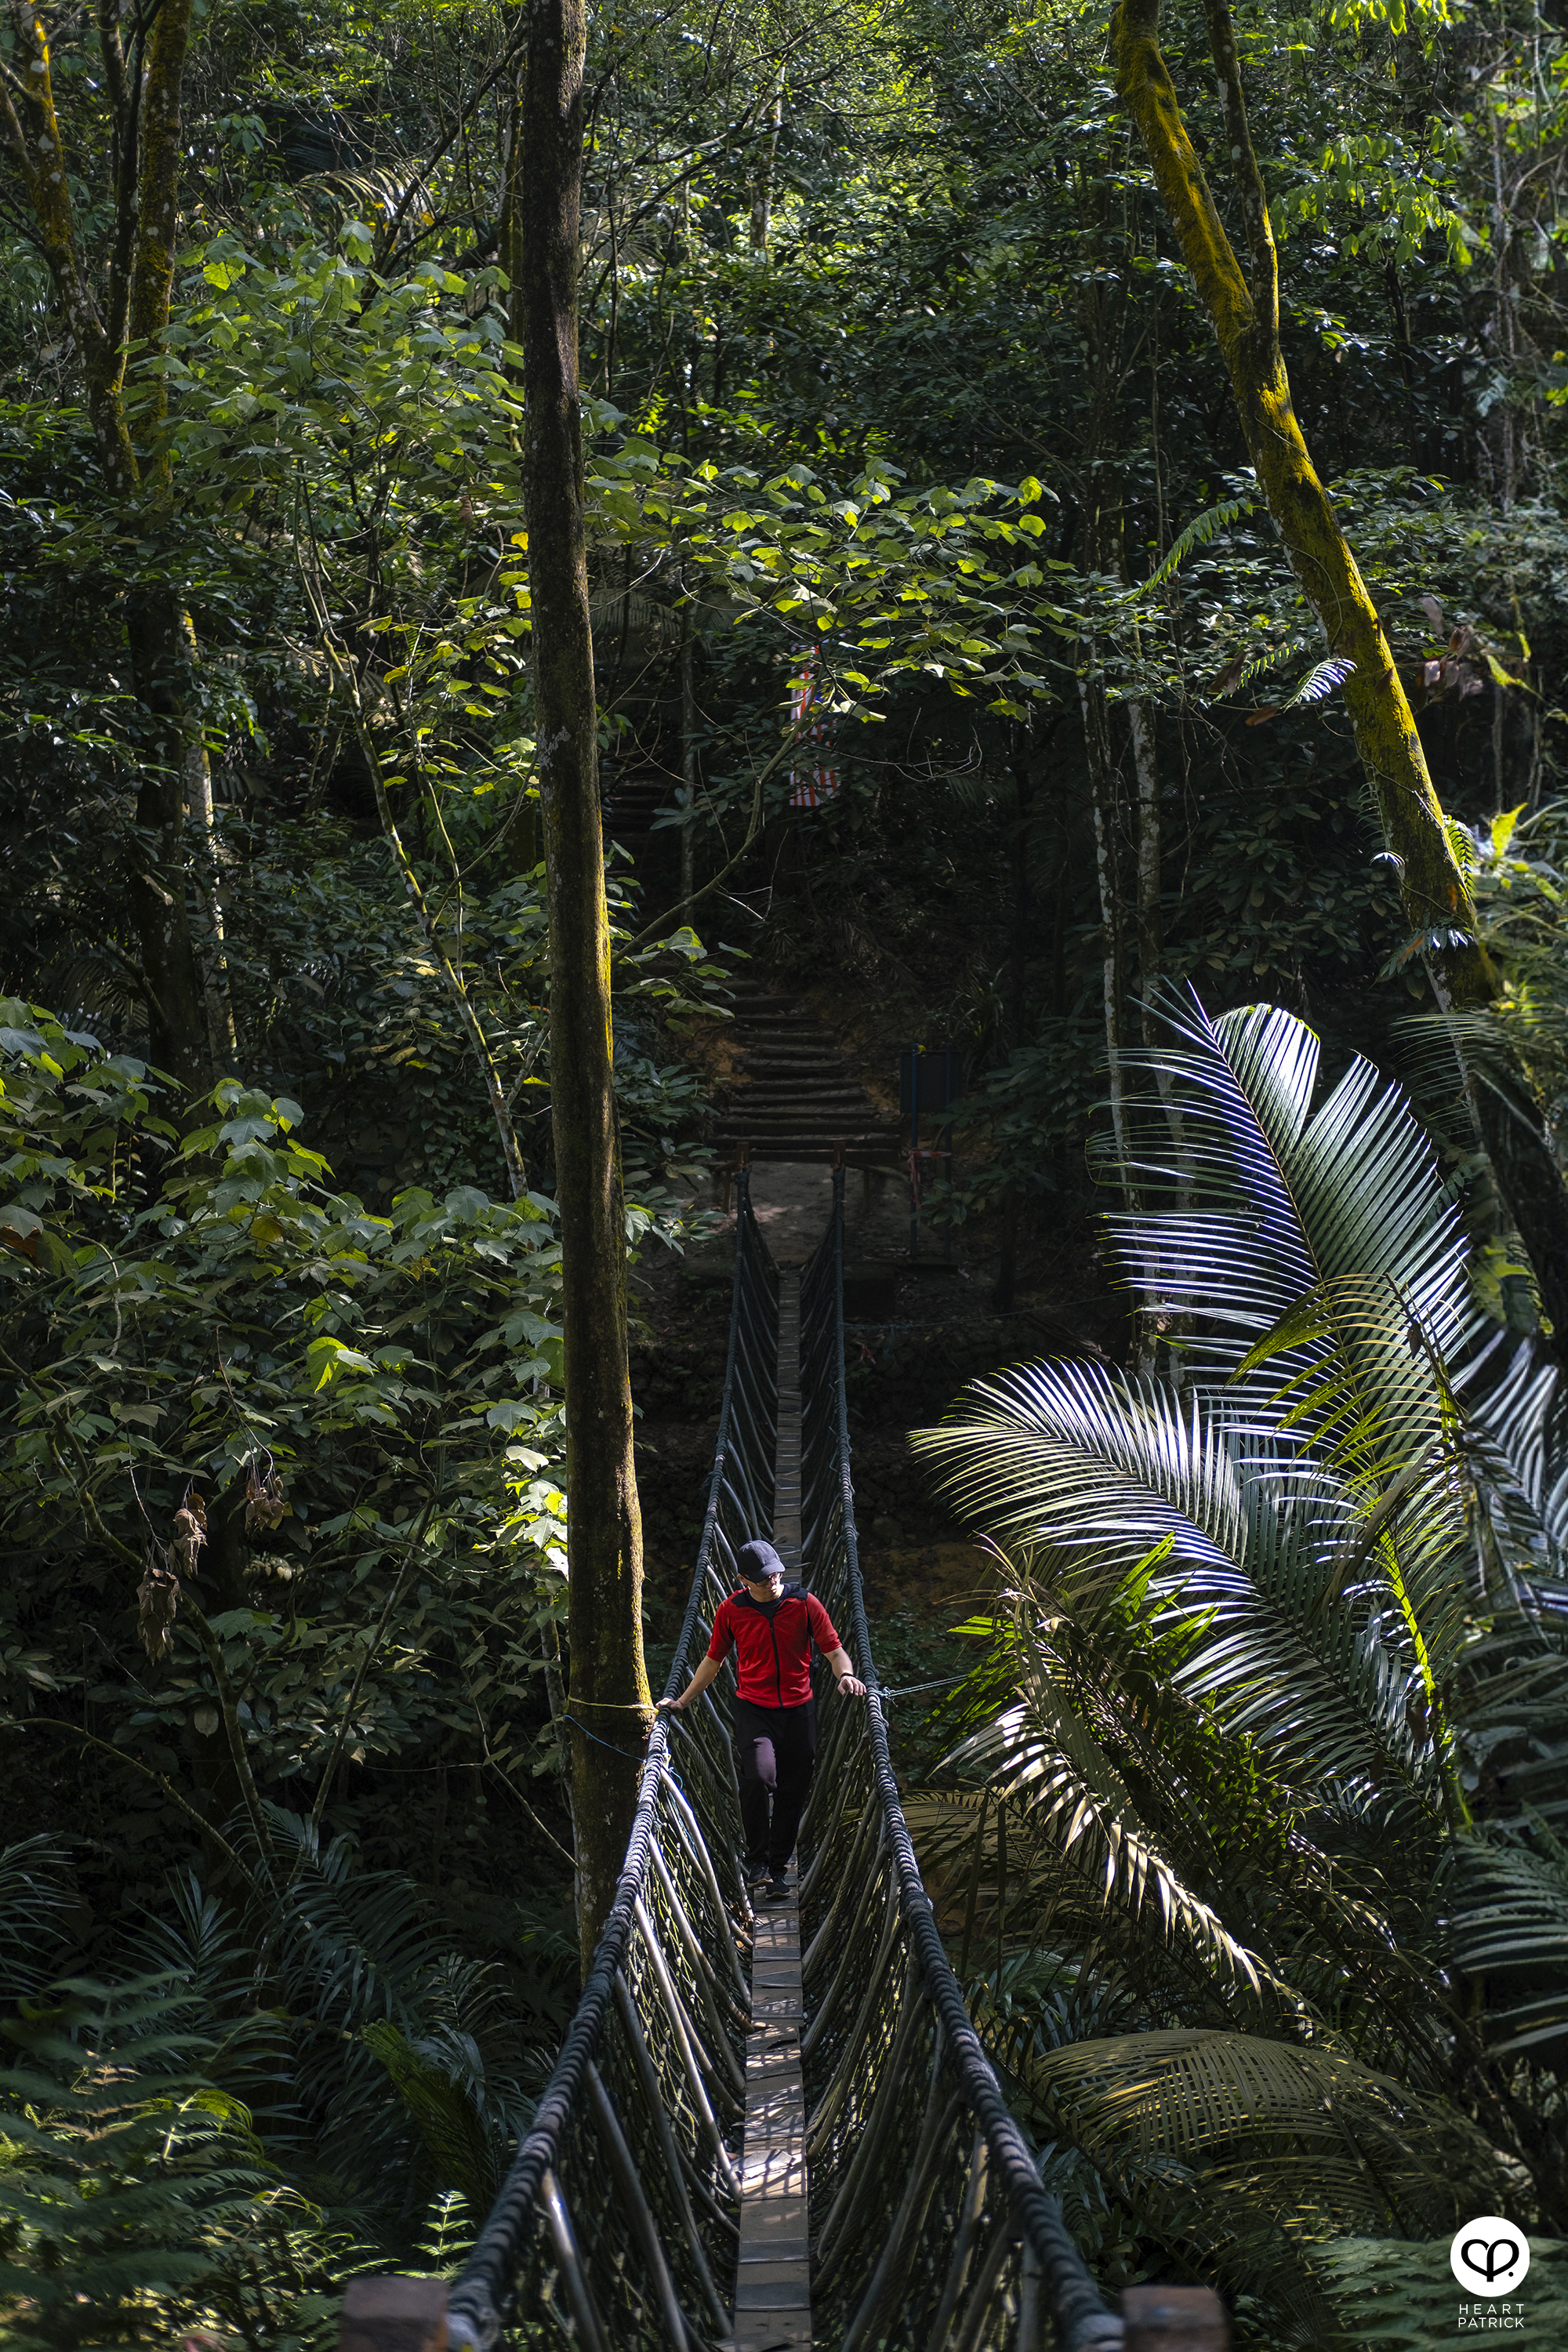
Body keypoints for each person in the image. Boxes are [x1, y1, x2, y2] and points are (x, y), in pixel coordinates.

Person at [659, 1537, 866, 1902]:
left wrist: (846, 1675)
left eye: (775, 1574)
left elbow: (834, 1651)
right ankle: (756, 1862)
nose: (771, 1581)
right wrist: (683, 1701)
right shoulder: (731, 1611)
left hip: (801, 1711)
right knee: (758, 1777)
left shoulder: (804, 1604)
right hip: (754, 1709)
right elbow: (713, 1661)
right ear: (743, 1580)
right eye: (762, 1578)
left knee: (792, 1792)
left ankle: (776, 1870)